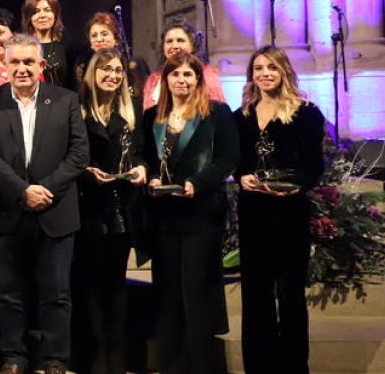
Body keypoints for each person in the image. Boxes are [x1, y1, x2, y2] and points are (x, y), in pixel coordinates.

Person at [0, 33, 89, 374]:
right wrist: (22, 190)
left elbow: (79, 154)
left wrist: (42, 189)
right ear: (5, 65)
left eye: (28, 62)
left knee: (56, 294)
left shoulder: (65, 99)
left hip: (55, 210)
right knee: (8, 294)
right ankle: (14, 358)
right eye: (15, 62)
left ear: (41, 65)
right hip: (8, 211)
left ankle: (55, 359)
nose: (22, 68)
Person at [141, 53, 238, 374]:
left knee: (197, 295)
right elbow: (146, 158)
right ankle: (171, 366)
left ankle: (201, 367)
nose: (181, 80)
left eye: (188, 74)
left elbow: (228, 159)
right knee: (167, 295)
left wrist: (198, 183)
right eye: (175, 74)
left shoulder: (217, 113)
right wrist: (152, 176)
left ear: (199, 79)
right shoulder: (152, 116)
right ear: (164, 79)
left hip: (202, 216)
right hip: (164, 216)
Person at [234, 47, 326, 374]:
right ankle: (259, 366)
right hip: (254, 212)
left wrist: (297, 184)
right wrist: (239, 176)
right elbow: (237, 163)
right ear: (252, 75)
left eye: (271, 67)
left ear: (284, 70)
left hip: (289, 213)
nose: (265, 73)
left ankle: (292, 367)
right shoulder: (241, 115)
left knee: (290, 295)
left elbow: (315, 165)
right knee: (256, 294)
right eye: (258, 68)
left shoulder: (306, 112)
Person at [76, 48, 146, 374]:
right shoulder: (76, 111)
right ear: (93, 73)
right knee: (90, 284)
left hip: (121, 208)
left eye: (117, 70)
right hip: (87, 207)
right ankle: (96, 357)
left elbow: (144, 154)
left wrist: (143, 169)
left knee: (117, 284)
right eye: (106, 69)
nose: (113, 75)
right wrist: (86, 172)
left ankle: (116, 359)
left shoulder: (131, 113)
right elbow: (69, 158)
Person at [142, 19, 225, 110]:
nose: (174, 46)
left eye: (180, 41)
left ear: (192, 46)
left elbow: (219, 114)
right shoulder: (153, 80)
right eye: (169, 41)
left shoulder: (207, 75)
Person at [20, 0, 73, 90]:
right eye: (36, 12)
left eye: (47, 10)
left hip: (62, 102)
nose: (42, 15)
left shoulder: (67, 46)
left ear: (55, 14)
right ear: (29, 17)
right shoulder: (22, 46)